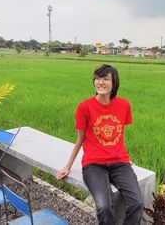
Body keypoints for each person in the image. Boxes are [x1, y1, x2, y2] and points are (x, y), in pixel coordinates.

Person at [56, 64, 143, 225]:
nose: (100, 82)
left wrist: (124, 157)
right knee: (104, 206)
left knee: (137, 202)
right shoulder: (84, 107)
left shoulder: (124, 105)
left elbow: (119, 135)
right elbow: (80, 139)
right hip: (94, 165)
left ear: (114, 83)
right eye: (97, 78)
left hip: (120, 163)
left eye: (105, 79)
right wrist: (67, 166)